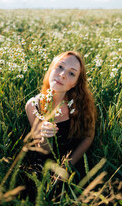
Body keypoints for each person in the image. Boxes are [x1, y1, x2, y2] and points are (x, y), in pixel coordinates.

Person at [24, 51, 97, 200]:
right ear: (51, 69)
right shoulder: (33, 105)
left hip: (74, 162)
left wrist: (67, 167)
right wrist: (45, 136)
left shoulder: (80, 105)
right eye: (60, 67)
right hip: (46, 165)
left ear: (75, 83)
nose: (62, 75)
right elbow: (42, 151)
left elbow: (89, 136)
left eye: (71, 74)